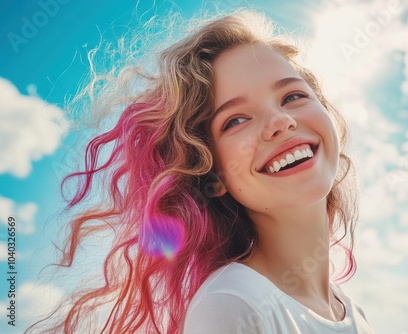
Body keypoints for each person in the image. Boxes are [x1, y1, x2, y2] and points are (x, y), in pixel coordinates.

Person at [29, 10, 374, 334]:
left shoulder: (354, 313)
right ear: (212, 174)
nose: (280, 121)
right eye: (235, 120)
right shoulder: (231, 306)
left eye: (293, 96)